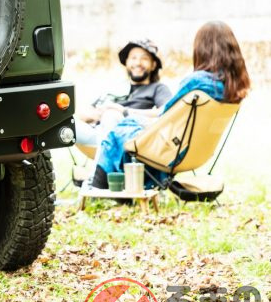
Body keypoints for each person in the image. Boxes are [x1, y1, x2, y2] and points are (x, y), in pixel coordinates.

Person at [90, 21, 251, 188]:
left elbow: (166, 115)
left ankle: (96, 187)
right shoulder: (233, 89)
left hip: (172, 150)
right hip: (198, 153)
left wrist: (127, 115)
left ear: (202, 49)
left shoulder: (198, 81)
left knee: (120, 130)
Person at [76, 39, 173, 146]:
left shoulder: (158, 88)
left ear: (153, 65)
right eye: (133, 58)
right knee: (68, 125)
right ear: (126, 62)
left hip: (129, 135)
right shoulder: (115, 86)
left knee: (111, 115)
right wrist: (98, 115)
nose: (138, 63)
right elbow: (83, 113)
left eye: (144, 58)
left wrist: (124, 111)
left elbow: (167, 110)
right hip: (98, 132)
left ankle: (106, 153)